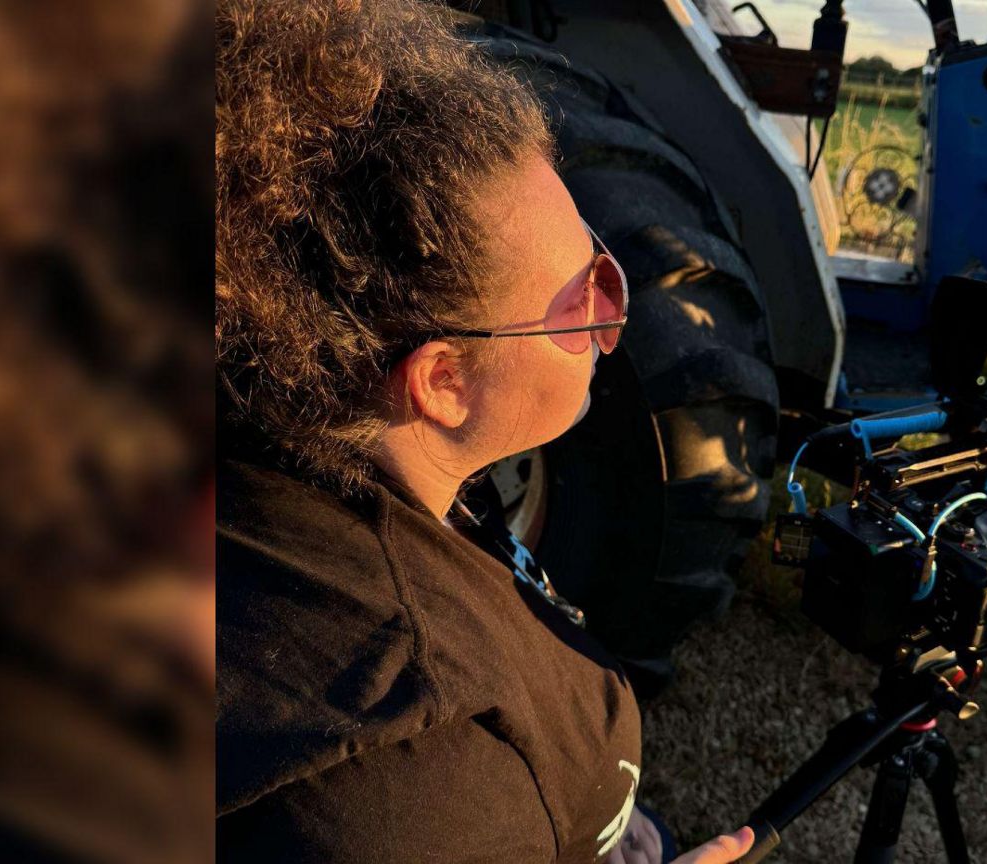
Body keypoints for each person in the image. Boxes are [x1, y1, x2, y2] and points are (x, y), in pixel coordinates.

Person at [215, 1, 755, 861]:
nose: (617, 320)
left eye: (599, 255)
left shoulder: (293, 433)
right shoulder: (414, 783)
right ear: (443, 382)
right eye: (580, 302)